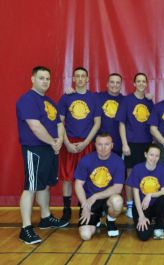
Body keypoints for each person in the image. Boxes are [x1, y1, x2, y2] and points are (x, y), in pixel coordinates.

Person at [16, 66, 69, 244]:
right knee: (31, 187)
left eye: (47, 78)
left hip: (49, 148)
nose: (45, 81)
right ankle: (26, 228)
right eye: (41, 78)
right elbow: (35, 126)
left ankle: (45, 218)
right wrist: (53, 142)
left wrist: (59, 141)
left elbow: (59, 124)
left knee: (45, 184)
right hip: (35, 149)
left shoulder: (49, 102)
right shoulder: (27, 100)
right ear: (32, 79)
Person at [58, 67, 101, 222]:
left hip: (86, 142)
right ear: (74, 79)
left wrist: (87, 142)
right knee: (67, 178)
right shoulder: (66, 97)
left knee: (87, 178)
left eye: (83, 76)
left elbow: (97, 123)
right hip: (69, 142)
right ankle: (67, 210)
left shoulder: (94, 98)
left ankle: (85, 206)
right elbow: (60, 122)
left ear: (88, 79)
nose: (81, 79)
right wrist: (67, 142)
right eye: (78, 76)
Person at [116, 73, 153, 218]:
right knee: (130, 175)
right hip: (131, 144)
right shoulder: (126, 101)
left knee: (143, 174)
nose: (142, 83)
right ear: (134, 83)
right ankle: (130, 206)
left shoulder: (149, 102)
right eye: (139, 81)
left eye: (144, 81)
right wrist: (125, 144)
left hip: (146, 144)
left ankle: (143, 204)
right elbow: (121, 123)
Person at [74, 133, 124, 240]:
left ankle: (110, 221)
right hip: (90, 201)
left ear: (112, 145)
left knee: (118, 201)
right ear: (95, 145)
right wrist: (85, 206)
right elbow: (78, 185)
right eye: (100, 144)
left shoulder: (118, 162)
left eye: (107, 144)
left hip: (107, 198)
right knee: (85, 235)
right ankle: (96, 219)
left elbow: (117, 188)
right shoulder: (86, 160)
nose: (103, 148)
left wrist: (96, 196)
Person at [126, 144, 164, 241]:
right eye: (151, 155)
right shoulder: (137, 169)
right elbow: (136, 195)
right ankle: (148, 220)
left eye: (156, 156)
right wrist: (141, 216)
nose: (154, 158)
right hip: (141, 206)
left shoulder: (162, 169)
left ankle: (159, 225)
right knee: (144, 236)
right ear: (145, 154)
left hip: (155, 205)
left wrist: (150, 195)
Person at [96, 73, 125, 155]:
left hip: (117, 145)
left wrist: (147, 97)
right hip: (99, 145)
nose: (115, 85)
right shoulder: (97, 97)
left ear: (121, 85)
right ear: (107, 84)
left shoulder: (126, 101)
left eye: (117, 82)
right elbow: (83, 95)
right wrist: (72, 92)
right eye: (112, 82)